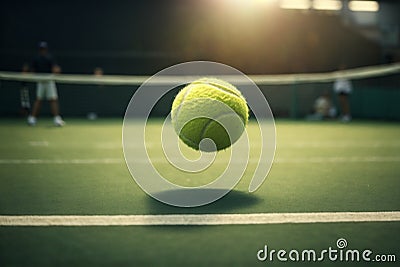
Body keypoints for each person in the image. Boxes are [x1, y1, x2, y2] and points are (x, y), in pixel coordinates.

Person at [27, 41, 65, 126]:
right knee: (38, 100)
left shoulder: (50, 58)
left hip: (49, 80)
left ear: (46, 49)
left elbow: (55, 69)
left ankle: (56, 119)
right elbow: (32, 70)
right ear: (39, 50)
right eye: (41, 49)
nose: (42, 50)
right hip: (40, 81)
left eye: (44, 49)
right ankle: (32, 118)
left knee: (53, 100)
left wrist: (56, 71)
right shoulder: (36, 58)